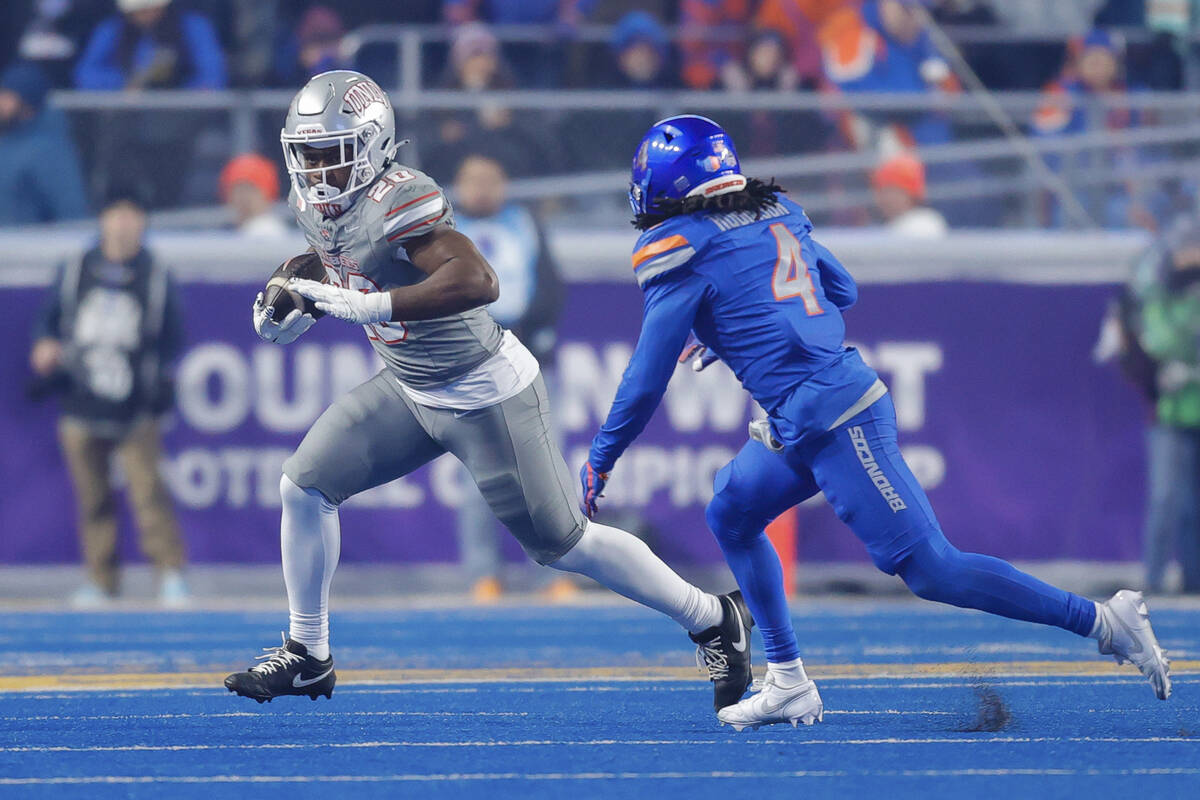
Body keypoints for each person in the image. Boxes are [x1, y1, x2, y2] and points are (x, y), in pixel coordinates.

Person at [579, 114, 1172, 730]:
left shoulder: (681, 246)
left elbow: (646, 378)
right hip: (802, 413)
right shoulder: (771, 210)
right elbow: (842, 289)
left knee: (932, 568)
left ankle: (1105, 622)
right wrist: (739, 315)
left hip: (835, 415)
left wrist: (601, 456)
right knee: (732, 510)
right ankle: (788, 680)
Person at [223, 71, 751, 711]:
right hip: (410, 387)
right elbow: (334, 257)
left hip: (483, 392)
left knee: (565, 545)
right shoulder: (320, 202)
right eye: (307, 154)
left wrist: (371, 306)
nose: (316, 171)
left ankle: (712, 616)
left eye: (332, 155)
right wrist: (290, 286)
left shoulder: (400, 198)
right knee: (302, 486)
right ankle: (308, 653)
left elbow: (477, 279)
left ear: (372, 145)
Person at [28, 187, 188, 607]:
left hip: (135, 408)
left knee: (148, 494)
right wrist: (45, 346)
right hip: (80, 403)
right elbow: (49, 321)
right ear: (102, 220)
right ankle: (101, 578)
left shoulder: (155, 274)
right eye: (115, 214)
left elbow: (172, 338)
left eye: (131, 215)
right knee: (92, 498)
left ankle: (169, 572)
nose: (122, 224)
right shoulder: (76, 268)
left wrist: (159, 387)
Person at [449, 152, 570, 602]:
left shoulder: (526, 224)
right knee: (478, 475)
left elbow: (552, 287)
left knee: (543, 473)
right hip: (469, 368)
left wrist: (518, 335)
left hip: (529, 362)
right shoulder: (442, 228)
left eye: (490, 179)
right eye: (472, 179)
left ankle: (554, 571)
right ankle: (483, 574)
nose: (481, 189)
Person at [1128, 220, 1200, 594]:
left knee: (1192, 507)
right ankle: (1153, 582)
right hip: (1171, 413)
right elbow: (1157, 338)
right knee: (1165, 498)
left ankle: (1193, 582)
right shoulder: (1162, 293)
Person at [0, 60, 88, 225]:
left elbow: (72, 213)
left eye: (7, 96)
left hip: (24, 248)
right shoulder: (6, 139)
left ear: (27, 104)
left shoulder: (49, 151)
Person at [73, 0, 226, 90]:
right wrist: (127, 83)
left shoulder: (193, 26)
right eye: (140, 10)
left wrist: (178, 92)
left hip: (186, 117)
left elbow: (212, 75)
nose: (147, 13)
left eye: (150, 7)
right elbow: (85, 74)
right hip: (125, 118)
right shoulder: (112, 29)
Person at [871, 152, 948, 238]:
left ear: (911, 194)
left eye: (893, 191)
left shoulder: (924, 223)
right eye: (882, 191)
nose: (886, 199)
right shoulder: (885, 229)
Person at [219, 153, 289, 238]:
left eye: (250, 189)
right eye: (238, 190)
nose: (243, 197)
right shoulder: (228, 232)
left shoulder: (268, 231)